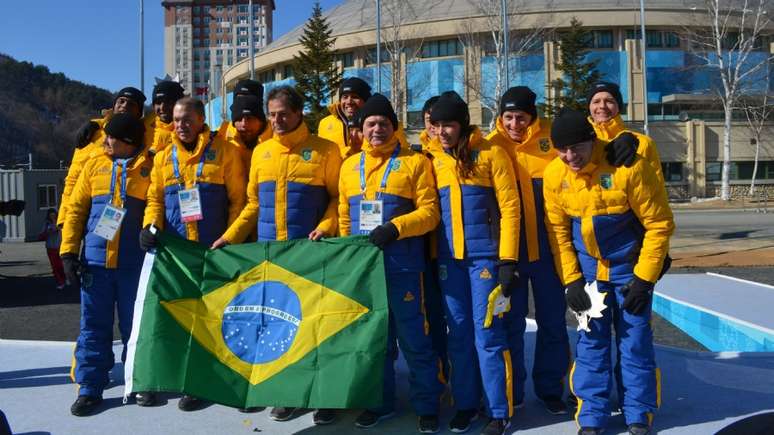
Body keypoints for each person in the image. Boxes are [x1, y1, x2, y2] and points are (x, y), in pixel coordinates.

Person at [487, 86, 638, 414]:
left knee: (553, 323)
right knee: (510, 325)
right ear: (500, 117)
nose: (514, 123)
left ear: (533, 116)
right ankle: (511, 393)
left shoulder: (551, 140)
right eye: (508, 117)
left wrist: (628, 139)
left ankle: (551, 389)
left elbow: (594, 135)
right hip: (509, 254)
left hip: (550, 251)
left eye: (521, 117)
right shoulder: (489, 146)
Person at [210, 85, 341, 423]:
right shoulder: (262, 152)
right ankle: (282, 390)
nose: (277, 120)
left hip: (309, 255)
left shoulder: (324, 151)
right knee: (277, 326)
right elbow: (253, 205)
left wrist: (326, 228)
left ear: (298, 113)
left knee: (315, 326)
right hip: (271, 255)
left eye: (283, 114)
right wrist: (230, 237)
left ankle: (323, 392)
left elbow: (337, 199)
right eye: (272, 115)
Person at [543, 110, 674, 435]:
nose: (571, 156)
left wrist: (644, 279)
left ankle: (637, 413)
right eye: (562, 149)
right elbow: (558, 233)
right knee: (591, 342)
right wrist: (571, 280)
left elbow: (659, 225)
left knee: (635, 341)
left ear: (591, 140)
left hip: (630, 275)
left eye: (577, 148)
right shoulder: (554, 175)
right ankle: (592, 416)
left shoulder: (627, 166)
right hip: (589, 278)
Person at [338, 94, 444, 434]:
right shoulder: (348, 167)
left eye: (384, 123)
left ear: (394, 127)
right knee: (374, 343)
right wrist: (346, 258)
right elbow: (344, 218)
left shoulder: (414, 163)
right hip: (366, 272)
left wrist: (395, 228)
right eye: (370, 124)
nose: (377, 129)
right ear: (361, 130)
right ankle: (379, 403)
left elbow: (430, 213)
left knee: (415, 340)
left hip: (403, 268)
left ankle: (427, 405)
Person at [139, 97, 246, 411]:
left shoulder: (225, 152)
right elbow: (155, 201)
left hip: (214, 251)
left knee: (214, 320)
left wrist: (230, 241)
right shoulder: (162, 157)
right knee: (177, 318)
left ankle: (207, 383)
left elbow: (237, 202)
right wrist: (149, 227)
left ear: (201, 120)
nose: (181, 126)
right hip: (178, 255)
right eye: (176, 119)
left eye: (187, 119)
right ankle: (176, 379)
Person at [427, 91, 520, 435]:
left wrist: (507, 258)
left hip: (485, 260)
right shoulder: (431, 159)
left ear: (462, 124)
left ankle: (498, 410)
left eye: (448, 124)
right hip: (449, 262)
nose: (442, 131)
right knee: (459, 336)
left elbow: (511, 208)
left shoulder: (490, 154)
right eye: (436, 125)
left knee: (488, 335)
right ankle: (465, 404)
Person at [59, 113, 155, 416]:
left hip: (133, 266)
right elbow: (75, 211)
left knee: (135, 329)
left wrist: (150, 227)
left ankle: (137, 381)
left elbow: (156, 204)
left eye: (111, 137)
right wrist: (68, 253)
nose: (105, 141)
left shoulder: (149, 168)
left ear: (128, 143)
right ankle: (90, 388)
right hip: (95, 264)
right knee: (93, 328)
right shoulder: (93, 165)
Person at [59, 87, 147, 228]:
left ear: (139, 112)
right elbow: (73, 178)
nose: (124, 106)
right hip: (85, 211)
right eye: (121, 101)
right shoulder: (91, 134)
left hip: (127, 216)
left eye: (131, 104)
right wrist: (64, 218)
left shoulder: (145, 135)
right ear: (114, 105)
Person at [216, 79, 273, 172]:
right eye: (238, 99)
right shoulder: (221, 134)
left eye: (249, 98)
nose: (244, 123)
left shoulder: (276, 134)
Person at [319, 77, 372, 159]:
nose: (349, 101)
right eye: (345, 97)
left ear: (365, 100)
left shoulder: (376, 123)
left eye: (355, 97)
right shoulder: (324, 123)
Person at [39, 208, 66, 289]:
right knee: (55, 267)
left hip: (60, 246)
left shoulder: (61, 222)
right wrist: (48, 232)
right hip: (51, 248)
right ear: (49, 215)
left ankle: (64, 279)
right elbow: (41, 235)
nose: (53, 216)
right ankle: (60, 282)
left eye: (54, 214)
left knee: (62, 265)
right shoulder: (46, 223)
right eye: (51, 214)